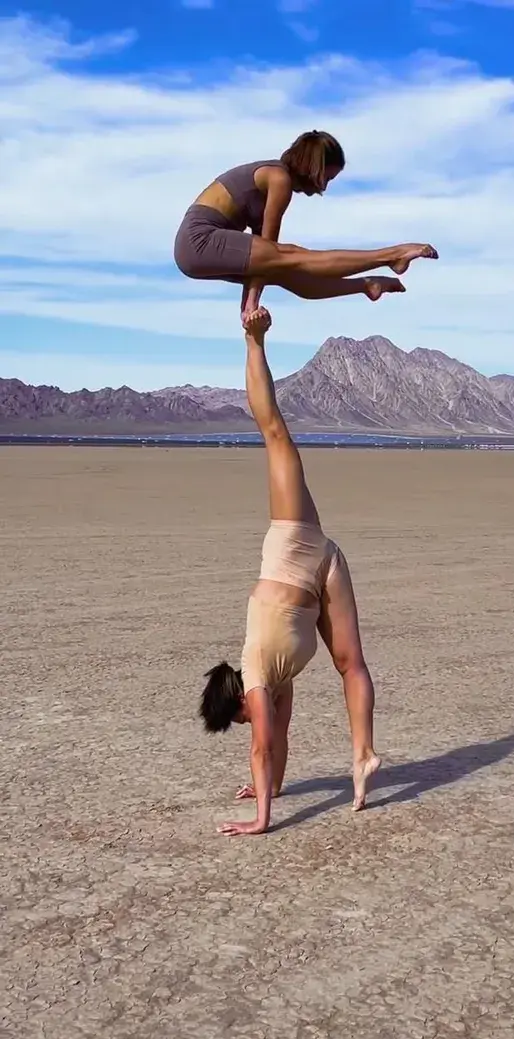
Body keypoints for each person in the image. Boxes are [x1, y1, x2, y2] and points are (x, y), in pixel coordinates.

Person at [199, 306, 381, 836]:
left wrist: (262, 812)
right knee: (273, 434)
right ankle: (363, 751)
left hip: (314, 564)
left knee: (351, 666)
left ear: (239, 701)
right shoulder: (266, 677)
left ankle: (365, 758)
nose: (253, 719)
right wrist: (266, 789)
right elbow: (271, 745)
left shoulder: (264, 680)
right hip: (304, 555)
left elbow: (267, 745)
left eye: (241, 716)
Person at [174, 129, 438, 323]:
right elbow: (271, 249)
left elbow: (263, 262)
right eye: (327, 177)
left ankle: (367, 285)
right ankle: (392, 255)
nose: (324, 186)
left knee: (292, 274)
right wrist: (250, 304)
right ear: (314, 167)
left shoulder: (271, 178)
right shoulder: (279, 179)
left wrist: (249, 306)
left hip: (195, 251)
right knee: (293, 256)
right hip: (199, 240)